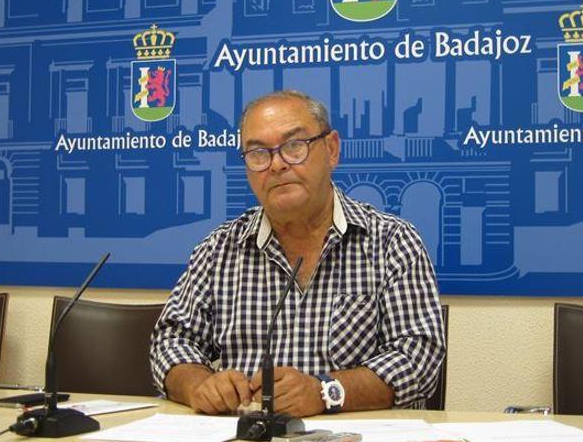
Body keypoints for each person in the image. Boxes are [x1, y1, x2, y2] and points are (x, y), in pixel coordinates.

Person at [149, 90, 444, 417]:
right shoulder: (218, 249)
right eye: (258, 153)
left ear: (331, 150)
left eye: (293, 146)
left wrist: (326, 392)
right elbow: (171, 342)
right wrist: (199, 385)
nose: (276, 165)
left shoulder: (392, 242)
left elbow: (419, 358)